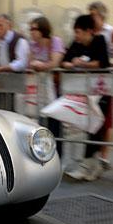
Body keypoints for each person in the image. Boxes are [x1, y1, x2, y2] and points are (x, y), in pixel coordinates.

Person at [61, 15, 111, 181]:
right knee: (88, 128)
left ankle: (89, 166)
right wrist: (71, 63)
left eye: (79, 32)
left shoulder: (100, 40)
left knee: (95, 128)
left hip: (101, 91)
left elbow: (102, 63)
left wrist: (81, 64)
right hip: (83, 93)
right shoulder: (76, 44)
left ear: (89, 31)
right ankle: (90, 166)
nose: (77, 36)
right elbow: (64, 61)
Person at [87, 1, 113, 169]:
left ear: (101, 16)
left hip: (107, 79)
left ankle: (105, 156)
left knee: (108, 120)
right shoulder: (89, 32)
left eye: (93, 15)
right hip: (91, 79)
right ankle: (93, 153)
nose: (90, 18)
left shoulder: (110, 31)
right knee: (93, 115)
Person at [28, 16, 65, 157]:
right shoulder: (33, 45)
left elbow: (55, 62)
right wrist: (36, 64)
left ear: (43, 29)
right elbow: (29, 62)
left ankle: (57, 154)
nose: (31, 32)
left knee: (54, 122)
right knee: (40, 122)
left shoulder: (55, 41)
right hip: (40, 89)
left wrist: (41, 65)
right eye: (30, 29)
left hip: (54, 87)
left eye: (34, 28)